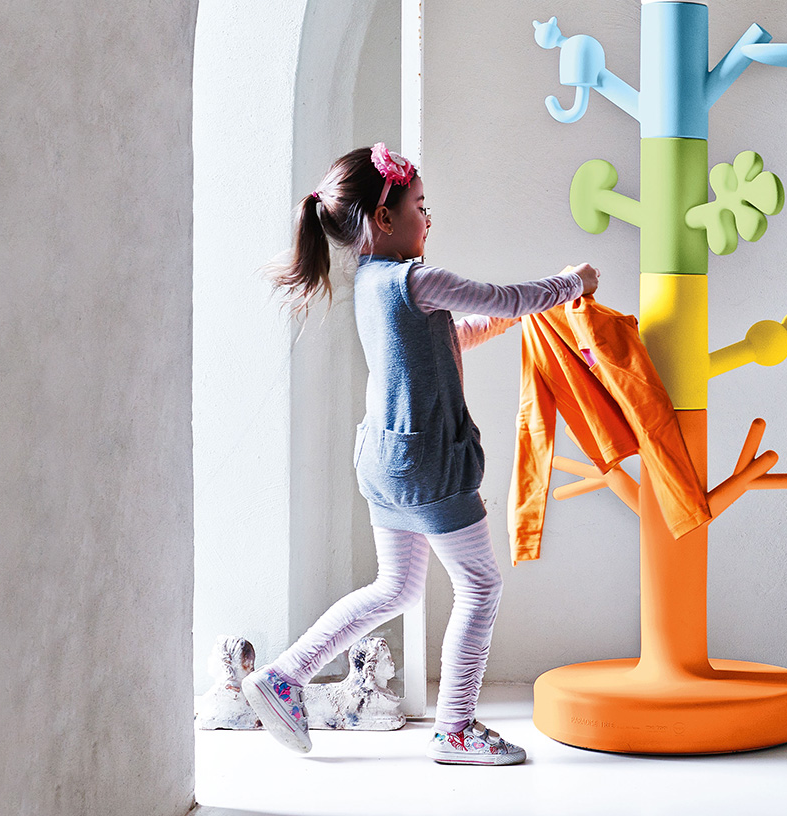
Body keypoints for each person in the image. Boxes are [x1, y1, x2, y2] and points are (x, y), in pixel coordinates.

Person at [242, 143, 597, 766]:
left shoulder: (371, 284)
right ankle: (455, 729)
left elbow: (447, 338)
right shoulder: (416, 279)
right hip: (430, 465)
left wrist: (508, 321)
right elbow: (502, 297)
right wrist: (572, 284)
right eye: (420, 206)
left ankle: (284, 675)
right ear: (384, 218)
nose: (428, 220)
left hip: (384, 460)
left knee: (396, 586)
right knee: (480, 586)